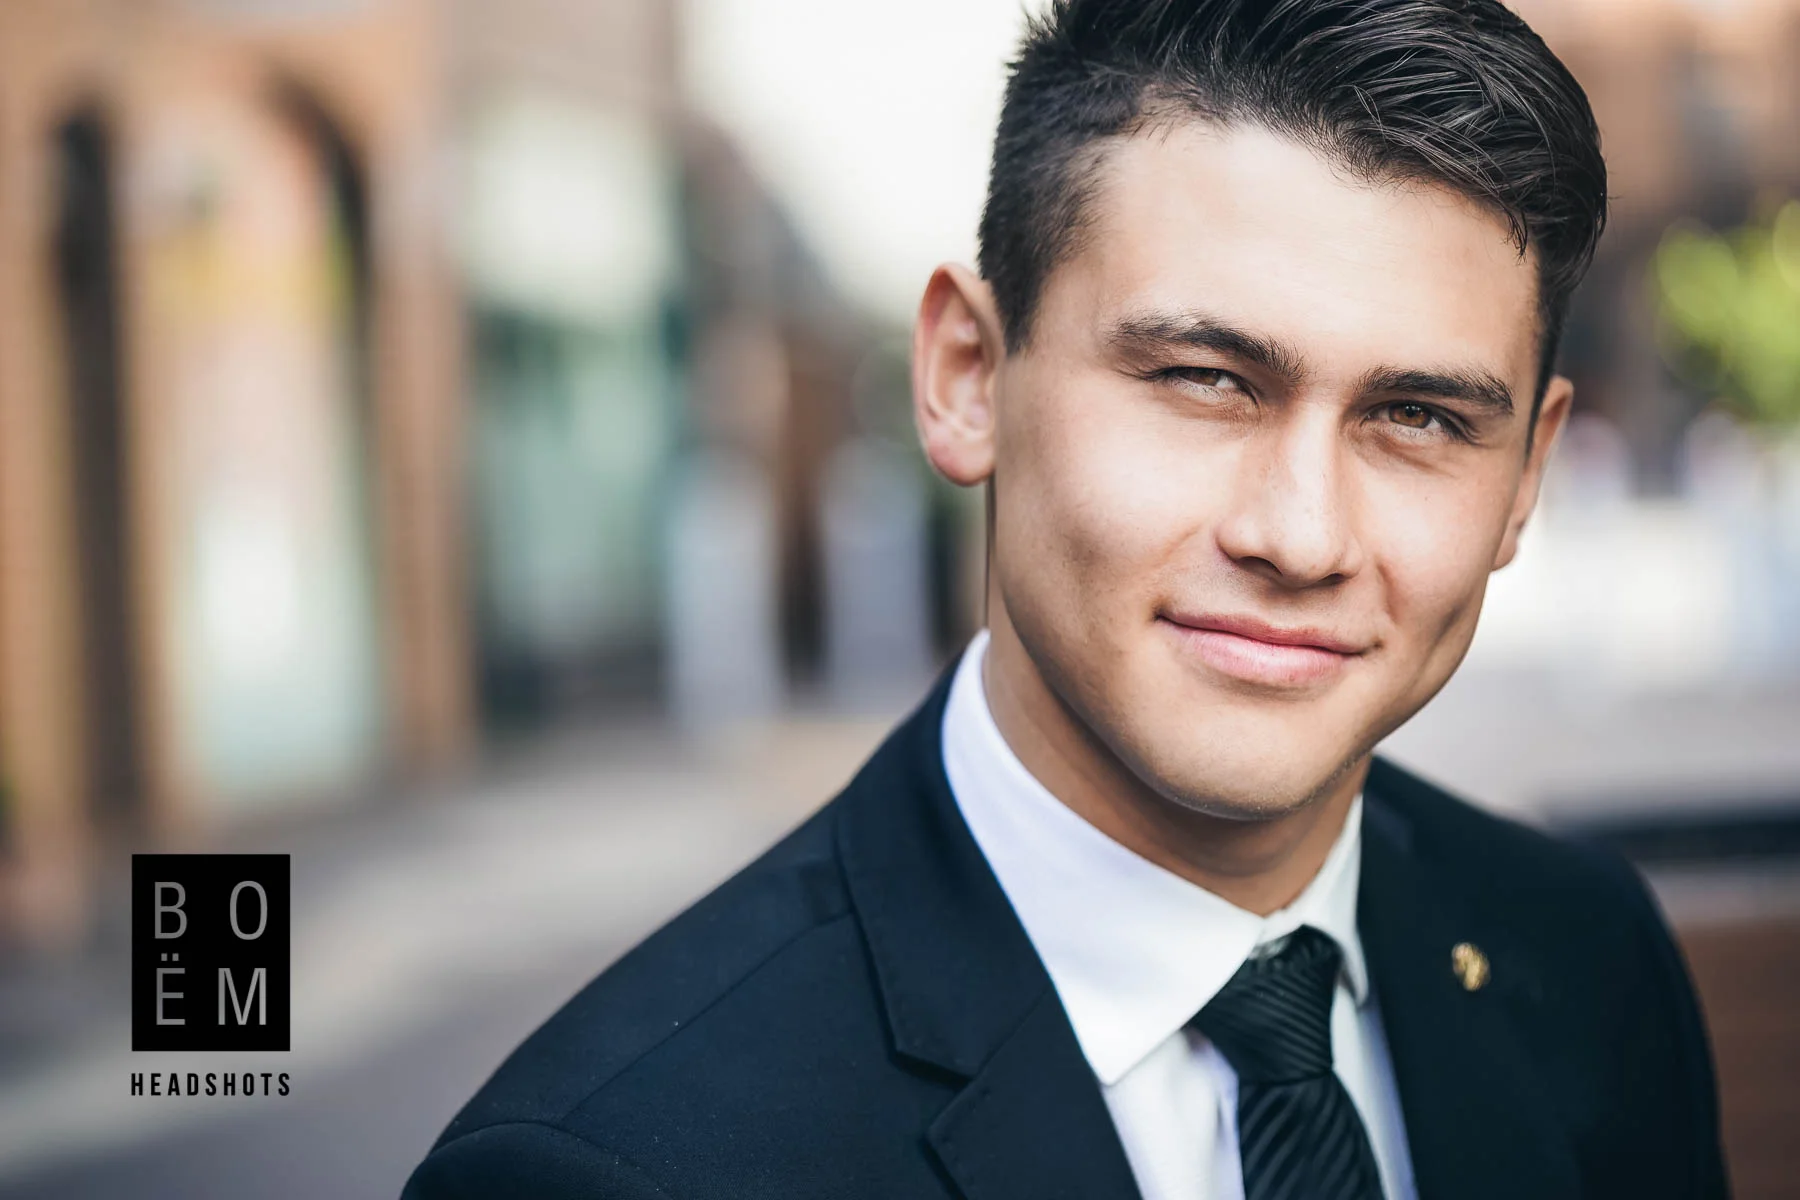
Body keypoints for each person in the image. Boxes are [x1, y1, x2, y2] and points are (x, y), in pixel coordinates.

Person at [404, 2, 1729, 1196]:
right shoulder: (615, 1166)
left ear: (1525, 480)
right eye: (1207, 378)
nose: (1303, 534)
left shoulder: (1586, 957)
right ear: (969, 377)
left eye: (1422, 416)